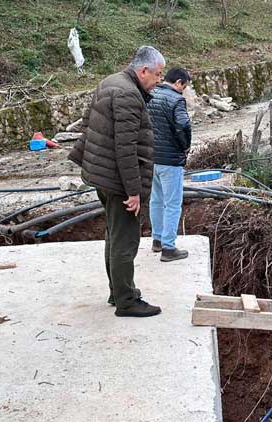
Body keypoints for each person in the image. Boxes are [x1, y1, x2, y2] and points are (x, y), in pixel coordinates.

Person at [68, 46, 165, 318]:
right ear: (143, 70)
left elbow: (88, 125)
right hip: (118, 180)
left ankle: (118, 291)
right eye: (158, 74)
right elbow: (126, 148)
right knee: (125, 241)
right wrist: (133, 192)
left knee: (114, 235)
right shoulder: (128, 95)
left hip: (103, 175)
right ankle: (126, 301)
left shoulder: (109, 82)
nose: (159, 80)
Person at [147, 67, 192, 262]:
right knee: (173, 204)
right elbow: (183, 125)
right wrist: (185, 146)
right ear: (179, 82)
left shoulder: (151, 94)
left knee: (156, 200)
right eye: (184, 86)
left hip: (151, 158)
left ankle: (157, 240)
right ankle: (168, 248)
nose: (184, 90)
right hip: (170, 159)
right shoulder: (176, 99)